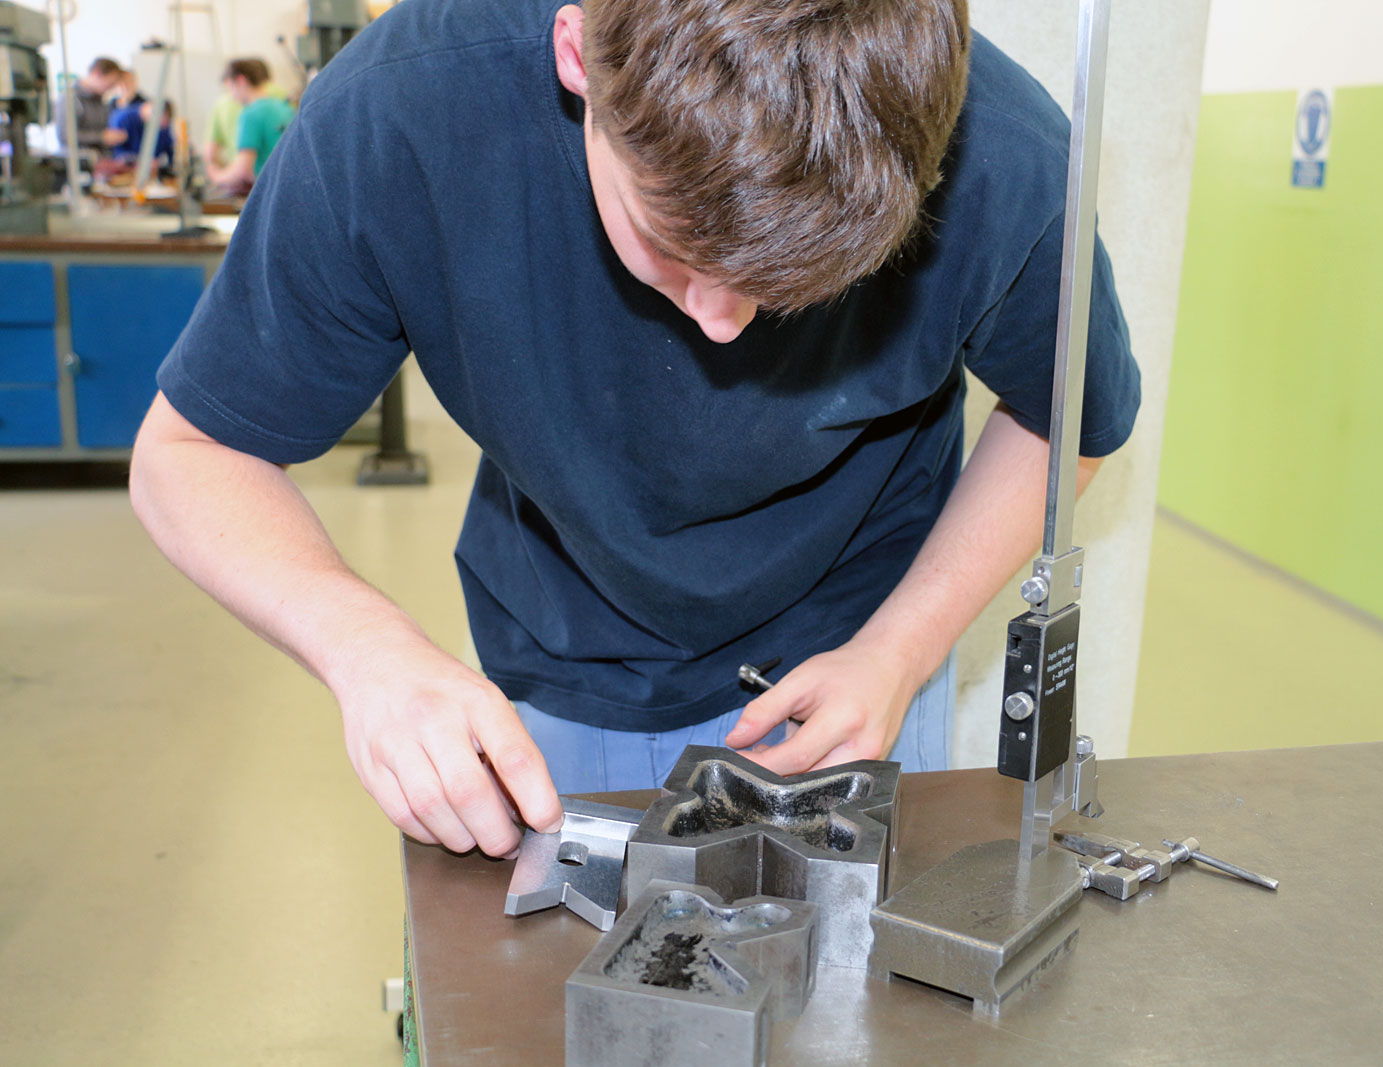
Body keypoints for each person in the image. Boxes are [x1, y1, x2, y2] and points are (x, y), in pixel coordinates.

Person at [131, 0, 1140, 858]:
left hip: (855, 664)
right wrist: (366, 651)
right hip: (562, 660)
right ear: (577, 59)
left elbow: (1068, 430)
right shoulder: (404, 109)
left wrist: (900, 649)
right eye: (672, 246)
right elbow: (190, 454)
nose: (722, 324)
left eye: (795, 283)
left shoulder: (1005, 160)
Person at [205, 58, 294, 195]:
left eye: (230, 88)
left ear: (240, 80)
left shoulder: (250, 114)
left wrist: (216, 175)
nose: (232, 96)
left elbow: (243, 171)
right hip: (289, 189)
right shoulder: (285, 108)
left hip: (267, 191)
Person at [57, 56, 128, 153]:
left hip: (102, 158)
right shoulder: (70, 98)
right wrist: (101, 137)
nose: (110, 89)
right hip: (79, 159)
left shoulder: (100, 99)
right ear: (97, 73)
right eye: (110, 84)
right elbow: (65, 136)